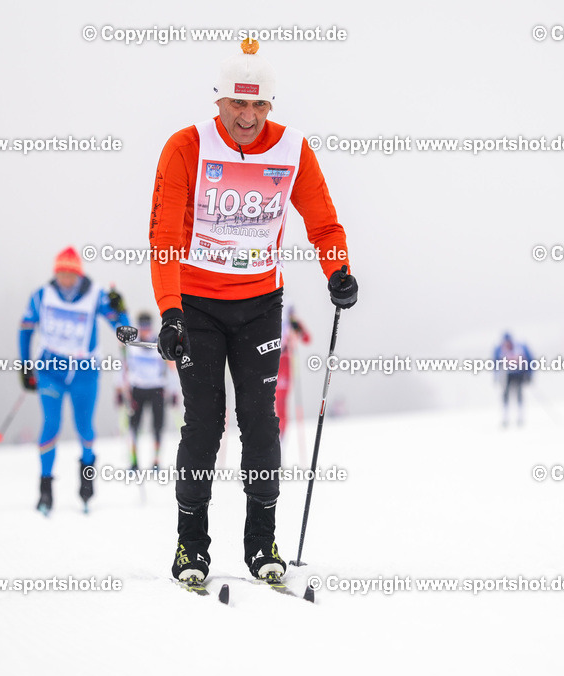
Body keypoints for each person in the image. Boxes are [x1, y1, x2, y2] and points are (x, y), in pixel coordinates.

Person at [147, 39, 357, 583]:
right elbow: (164, 236)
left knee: (261, 422)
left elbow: (323, 223)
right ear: (219, 102)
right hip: (196, 305)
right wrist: (169, 310)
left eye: (257, 106)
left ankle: (262, 545)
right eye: (236, 105)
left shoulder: (292, 151)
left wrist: (338, 270)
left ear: (270, 106)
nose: (246, 117)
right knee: (205, 424)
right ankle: (191, 546)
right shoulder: (185, 148)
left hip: (260, 303)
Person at [19, 246, 129, 514]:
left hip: (84, 371)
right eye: (60, 273)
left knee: (84, 428)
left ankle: (87, 480)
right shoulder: (42, 296)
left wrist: (120, 307)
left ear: (79, 274)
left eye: (70, 274)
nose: (65, 280)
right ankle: (45, 490)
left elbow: (123, 328)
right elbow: (25, 329)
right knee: (51, 425)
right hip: (50, 370)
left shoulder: (96, 295)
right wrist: (25, 365)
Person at [118, 312, 180, 471]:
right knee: (134, 427)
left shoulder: (159, 343)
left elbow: (171, 368)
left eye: (147, 326)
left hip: (157, 389)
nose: (145, 330)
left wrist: (173, 392)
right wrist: (119, 389)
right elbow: (123, 368)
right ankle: (134, 462)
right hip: (137, 390)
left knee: (157, 427)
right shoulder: (132, 346)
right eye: (142, 327)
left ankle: (156, 461)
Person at [275, 306, 311, 440]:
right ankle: (270, 438)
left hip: (284, 362)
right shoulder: (268, 317)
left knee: (281, 402)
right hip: (267, 362)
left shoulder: (291, 321)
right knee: (263, 403)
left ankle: (281, 437)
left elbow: (307, 338)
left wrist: (297, 327)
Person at [493, 332, 533, 427]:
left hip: (519, 374)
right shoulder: (500, 349)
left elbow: (529, 360)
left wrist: (529, 373)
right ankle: (505, 417)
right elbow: (496, 363)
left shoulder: (519, 348)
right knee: (506, 395)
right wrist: (496, 375)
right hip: (507, 375)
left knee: (519, 394)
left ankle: (520, 416)